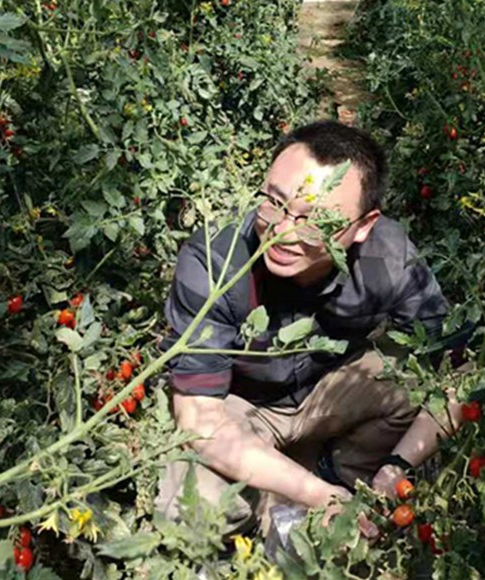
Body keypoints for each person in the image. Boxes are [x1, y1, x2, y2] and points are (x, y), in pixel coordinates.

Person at [154, 121, 468, 536]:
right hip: (240, 405)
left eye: (317, 220)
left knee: (417, 375)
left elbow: (459, 373)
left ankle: (341, 473)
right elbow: (202, 420)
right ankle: (275, 504)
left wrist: (397, 466)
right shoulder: (216, 260)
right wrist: (317, 494)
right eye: (274, 203)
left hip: (325, 393)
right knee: (192, 509)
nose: (284, 233)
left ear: (364, 225)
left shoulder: (388, 258)